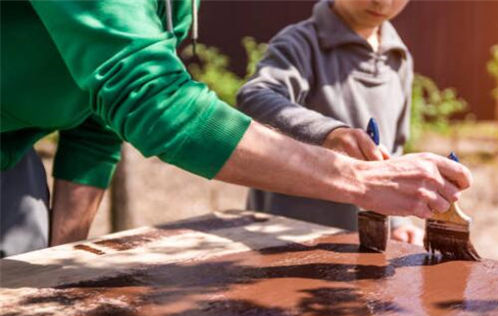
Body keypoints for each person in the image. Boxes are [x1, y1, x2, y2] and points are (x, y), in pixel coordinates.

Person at [0, 0, 471, 257]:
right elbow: (154, 101)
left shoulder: (174, 7)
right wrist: (360, 179)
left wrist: (61, 261)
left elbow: (98, 116)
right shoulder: (301, 42)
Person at [237, 0, 422, 243]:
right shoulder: (301, 43)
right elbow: (256, 97)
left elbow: (395, 146)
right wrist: (330, 134)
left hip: (362, 241)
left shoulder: (399, 58)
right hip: (285, 235)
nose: (383, 1)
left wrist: (397, 220)